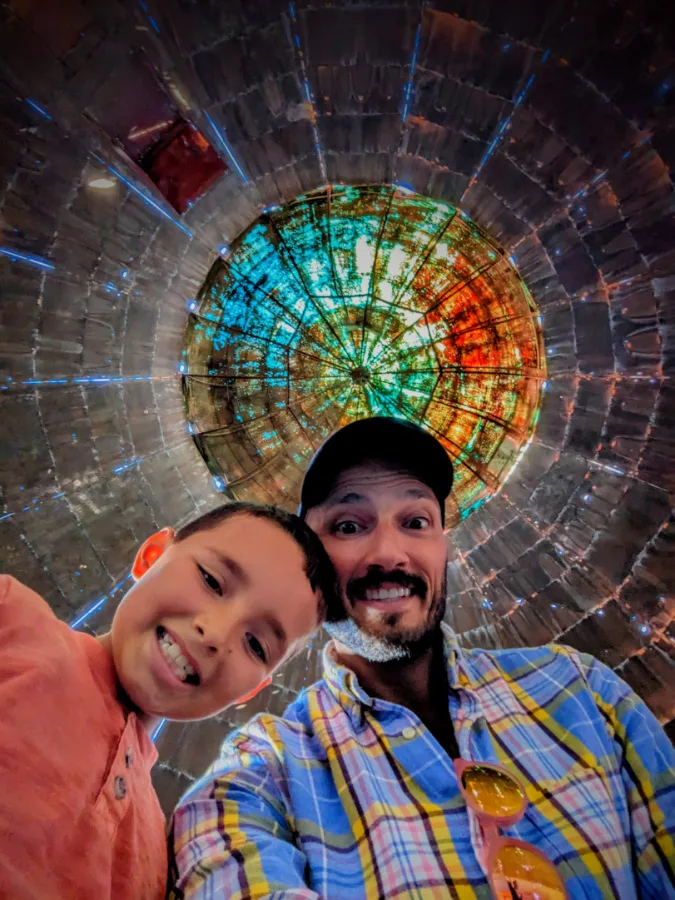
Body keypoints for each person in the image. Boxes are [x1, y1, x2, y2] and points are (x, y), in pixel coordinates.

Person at [170, 418, 675, 899]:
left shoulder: (582, 690)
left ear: (443, 546)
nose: (389, 553)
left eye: (415, 521)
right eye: (348, 525)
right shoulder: (261, 775)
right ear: (308, 564)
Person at [0, 501, 336, 900]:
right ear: (152, 554)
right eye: (211, 581)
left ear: (252, 690)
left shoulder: (161, 854)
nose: (215, 633)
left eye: (256, 645)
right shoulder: (11, 620)